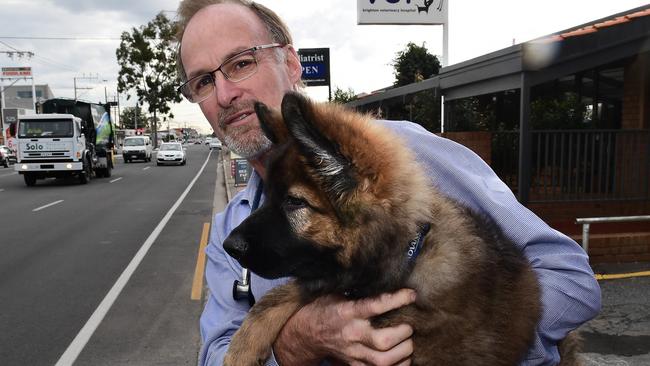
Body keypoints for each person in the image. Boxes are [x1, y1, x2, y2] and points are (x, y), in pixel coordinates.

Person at [176, 1, 602, 365]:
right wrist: (294, 343)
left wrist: (465, 344)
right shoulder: (231, 234)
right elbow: (217, 353)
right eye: (203, 81)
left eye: (241, 63)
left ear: (290, 63)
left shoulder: (408, 156)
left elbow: (572, 279)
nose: (225, 92)